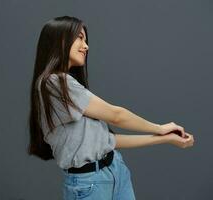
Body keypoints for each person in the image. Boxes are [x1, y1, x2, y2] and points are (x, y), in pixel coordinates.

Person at [27, 16, 195, 200]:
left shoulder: (66, 85)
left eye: (86, 39)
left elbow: (109, 142)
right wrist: (160, 128)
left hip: (115, 170)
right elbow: (117, 115)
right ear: (61, 39)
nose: (86, 46)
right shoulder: (54, 83)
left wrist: (165, 138)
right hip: (90, 183)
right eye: (80, 38)